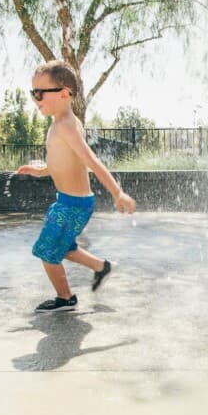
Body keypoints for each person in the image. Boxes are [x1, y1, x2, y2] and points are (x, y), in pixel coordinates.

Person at [16, 60, 136, 313]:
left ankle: (65, 298)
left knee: (47, 251)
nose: (35, 99)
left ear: (64, 93)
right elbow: (63, 163)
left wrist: (118, 192)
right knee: (66, 247)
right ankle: (101, 266)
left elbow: (91, 161)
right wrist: (41, 171)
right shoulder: (60, 123)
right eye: (32, 93)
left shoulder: (67, 125)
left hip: (73, 205)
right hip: (69, 201)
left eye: (39, 93)